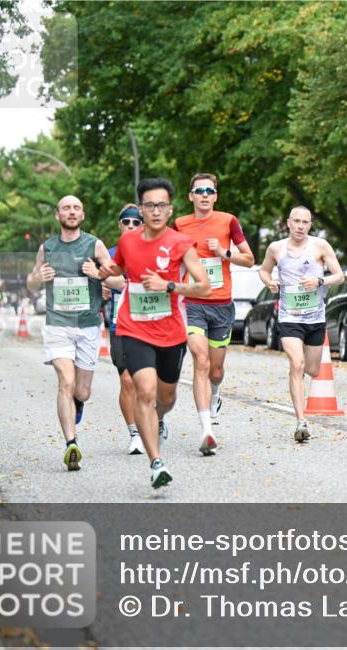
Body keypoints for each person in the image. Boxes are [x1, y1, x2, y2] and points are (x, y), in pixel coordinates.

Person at [99, 178, 211, 488]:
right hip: (133, 327)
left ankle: (159, 420)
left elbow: (203, 285)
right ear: (142, 208)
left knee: (166, 397)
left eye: (162, 205)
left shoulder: (180, 243)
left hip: (171, 333)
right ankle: (156, 462)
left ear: (170, 208)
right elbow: (119, 269)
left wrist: (170, 285)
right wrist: (103, 273)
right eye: (150, 205)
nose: (156, 211)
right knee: (144, 391)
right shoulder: (127, 241)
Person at [26, 195, 113, 472]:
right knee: (66, 380)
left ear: (82, 215)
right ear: (57, 215)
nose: (71, 212)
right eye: (66, 208)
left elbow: (116, 277)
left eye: (76, 208)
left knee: (82, 391)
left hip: (87, 325)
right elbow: (30, 284)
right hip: (57, 324)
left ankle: (77, 403)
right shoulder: (47, 248)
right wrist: (38, 279)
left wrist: (97, 273)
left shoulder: (94, 244)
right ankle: (71, 444)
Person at [174, 173, 255, 455]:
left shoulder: (228, 221)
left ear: (216, 196)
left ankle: (215, 393)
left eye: (210, 190)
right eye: (199, 191)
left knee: (216, 370)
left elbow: (249, 259)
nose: (205, 195)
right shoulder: (180, 225)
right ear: (191, 196)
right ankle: (206, 429)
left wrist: (223, 252)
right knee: (201, 360)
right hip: (193, 303)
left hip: (222, 306)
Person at [258, 206, 344, 442]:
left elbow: (340, 276)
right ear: (288, 222)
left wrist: (319, 280)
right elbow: (263, 271)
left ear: (310, 224)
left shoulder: (320, 246)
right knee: (297, 363)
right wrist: (270, 283)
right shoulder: (276, 248)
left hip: (315, 318)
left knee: (312, 369)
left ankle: (302, 401)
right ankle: (301, 421)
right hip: (289, 317)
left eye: (305, 222)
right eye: (296, 221)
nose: (300, 226)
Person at [101, 204, 146, 455]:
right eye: (126, 221)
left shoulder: (152, 248)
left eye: (136, 222)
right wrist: (106, 284)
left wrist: (117, 282)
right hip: (121, 325)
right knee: (128, 380)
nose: (131, 226)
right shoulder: (109, 254)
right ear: (120, 225)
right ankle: (135, 433)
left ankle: (154, 421)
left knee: (150, 383)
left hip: (151, 325)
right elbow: (104, 277)